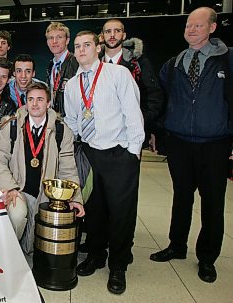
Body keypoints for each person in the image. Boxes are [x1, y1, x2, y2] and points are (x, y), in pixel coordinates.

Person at [149, 7, 231, 284]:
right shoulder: (173, 64)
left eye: (198, 25)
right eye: (188, 25)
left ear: (212, 27)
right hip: (180, 142)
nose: (192, 30)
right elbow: (160, 100)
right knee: (181, 197)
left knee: (212, 202)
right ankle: (177, 245)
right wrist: (157, 133)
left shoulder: (228, 60)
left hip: (215, 144)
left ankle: (207, 258)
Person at [63, 31, 144, 295]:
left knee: (121, 212)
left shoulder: (118, 74)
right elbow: (73, 121)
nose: (82, 49)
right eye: (77, 46)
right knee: (94, 208)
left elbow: (133, 112)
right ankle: (96, 255)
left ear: (97, 48)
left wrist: (133, 152)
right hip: (90, 153)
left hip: (119, 153)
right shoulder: (73, 84)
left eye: (87, 44)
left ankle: (118, 265)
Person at [0, 82, 84, 256]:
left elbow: (68, 168)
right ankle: (6, 256)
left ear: (48, 103)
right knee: (17, 215)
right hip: (18, 191)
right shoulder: (11, 126)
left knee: (34, 248)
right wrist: (10, 187)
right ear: (25, 102)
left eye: (40, 99)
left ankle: (24, 248)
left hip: (45, 196)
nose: (34, 104)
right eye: (31, 99)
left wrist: (76, 198)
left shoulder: (61, 131)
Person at [100, 18, 164, 151]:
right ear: (102, 36)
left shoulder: (139, 63)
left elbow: (154, 97)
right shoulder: (94, 64)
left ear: (124, 35)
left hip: (129, 138)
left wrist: (140, 121)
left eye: (117, 31)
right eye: (108, 31)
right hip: (100, 137)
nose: (112, 35)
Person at [45, 22, 79, 116]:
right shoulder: (50, 66)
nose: (54, 41)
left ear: (67, 40)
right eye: (51, 38)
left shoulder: (76, 62)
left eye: (59, 37)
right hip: (55, 117)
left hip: (71, 118)